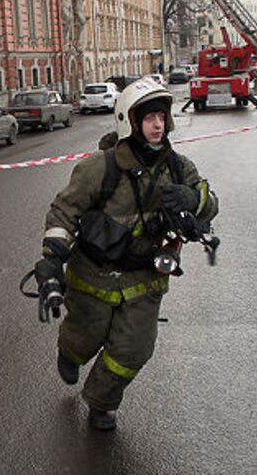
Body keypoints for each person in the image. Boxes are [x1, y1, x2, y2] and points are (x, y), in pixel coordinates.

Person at [33, 78, 219, 431]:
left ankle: (101, 401)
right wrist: (52, 257)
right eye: (148, 117)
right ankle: (70, 352)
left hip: (145, 278)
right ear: (129, 121)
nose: (157, 124)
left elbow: (211, 204)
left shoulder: (180, 169)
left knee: (133, 350)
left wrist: (195, 201)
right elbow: (64, 211)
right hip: (92, 275)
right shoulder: (99, 168)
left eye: (162, 117)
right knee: (85, 336)